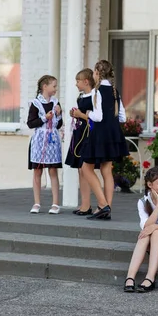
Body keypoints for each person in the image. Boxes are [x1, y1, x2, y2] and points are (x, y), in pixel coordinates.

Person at [79, 60, 129, 220]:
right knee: (107, 171)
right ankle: (106, 208)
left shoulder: (96, 91)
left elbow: (98, 117)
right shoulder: (115, 91)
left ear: (97, 73)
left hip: (100, 135)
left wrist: (86, 114)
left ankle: (102, 204)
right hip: (114, 134)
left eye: (94, 71)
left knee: (86, 168)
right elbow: (122, 117)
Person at [123, 167, 158, 292]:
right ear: (150, 184)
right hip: (150, 241)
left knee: (156, 232)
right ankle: (130, 277)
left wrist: (155, 227)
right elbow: (145, 226)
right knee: (145, 234)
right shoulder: (143, 202)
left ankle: (150, 277)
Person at [27, 75, 63, 215]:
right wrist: (44, 118)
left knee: (53, 171)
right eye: (54, 86)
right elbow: (31, 123)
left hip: (52, 139)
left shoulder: (56, 102)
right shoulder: (35, 103)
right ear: (45, 87)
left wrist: (58, 115)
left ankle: (55, 203)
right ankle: (37, 202)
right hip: (39, 140)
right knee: (37, 171)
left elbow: (59, 124)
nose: (56, 89)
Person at [66, 69, 96, 216]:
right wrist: (75, 115)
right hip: (80, 132)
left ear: (86, 81)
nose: (76, 84)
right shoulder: (81, 96)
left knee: (86, 169)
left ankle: (89, 204)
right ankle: (85, 204)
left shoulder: (95, 97)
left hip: (89, 133)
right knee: (80, 169)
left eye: (78, 81)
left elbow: (96, 118)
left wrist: (81, 115)